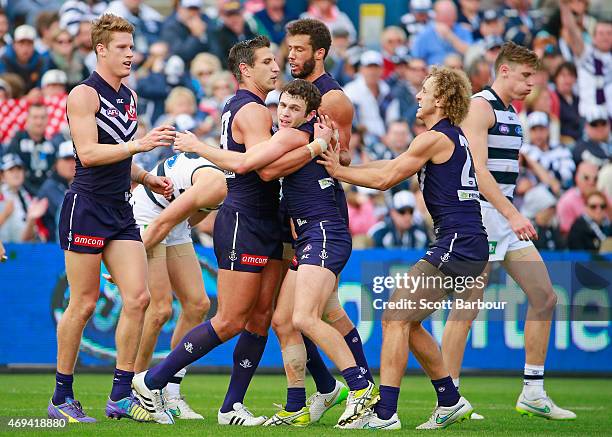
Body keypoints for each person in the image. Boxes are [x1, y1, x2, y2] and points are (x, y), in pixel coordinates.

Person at [131, 36, 329, 427]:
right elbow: (262, 168)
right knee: (230, 319)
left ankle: (230, 407)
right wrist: (311, 143)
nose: (277, 67)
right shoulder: (253, 111)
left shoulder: (249, 108)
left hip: (267, 218)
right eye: (268, 61)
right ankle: (150, 381)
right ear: (245, 70)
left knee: (260, 317)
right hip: (245, 219)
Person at [319, 66, 486, 430]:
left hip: (457, 241)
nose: (418, 96)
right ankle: (449, 400)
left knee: (395, 317)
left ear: (441, 99)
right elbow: (392, 165)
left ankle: (385, 414)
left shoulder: (433, 139)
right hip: (466, 241)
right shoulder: (445, 137)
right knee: (406, 323)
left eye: (425, 90)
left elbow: (384, 179)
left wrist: (338, 171)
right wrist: (349, 164)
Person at [48, 14, 176, 424]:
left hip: (120, 208)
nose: (130, 55)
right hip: (86, 207)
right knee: (83, 304)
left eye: (131, 47)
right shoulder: (83, 94)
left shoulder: (130, 96)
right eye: (121, 48)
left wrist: (146, 176)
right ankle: (61, 396)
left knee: (139, 298)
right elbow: (87, 154)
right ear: (101, 49)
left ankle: (120, 395)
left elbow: (120, 158)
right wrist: (140, 145)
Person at [440, 42, 576, 421]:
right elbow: (479, 172)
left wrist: (512, 213)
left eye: (534, 75)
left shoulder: (513, 113)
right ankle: (448, 400)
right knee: (465, 310)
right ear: (503, 71)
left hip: (502, 217)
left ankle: (533, 391)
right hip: (479, 216)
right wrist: (514, 214)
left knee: (544, 297)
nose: (532, 82)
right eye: (526, 75)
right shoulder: (481, 106)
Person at [284, 17, 378, 421]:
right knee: (324, 312)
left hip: (321, 213)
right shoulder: (292, 93)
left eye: (299, 49)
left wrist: (326, 145)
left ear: (320, 53)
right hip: (296, 213)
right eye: (289, 48)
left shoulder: (333, 98)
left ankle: (359, 388)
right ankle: (342, 390)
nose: (291, 55)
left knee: (305, 314)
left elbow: (344, 158)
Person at [127, 151, 227, 419]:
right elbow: (163, 222)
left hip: (173, 219)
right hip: (149, 216)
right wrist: (132, 259)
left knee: (198, 304)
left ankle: (170, 390)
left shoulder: (226, 181)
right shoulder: (218, 184)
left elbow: (189, 219)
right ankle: (132, 390)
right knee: (160, 310)